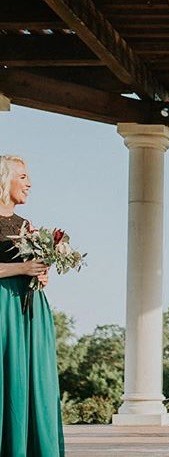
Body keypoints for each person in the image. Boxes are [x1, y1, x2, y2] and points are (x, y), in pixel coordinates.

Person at [0, 155, 65, 456]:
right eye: (23, 176)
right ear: (4, 180)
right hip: (3, 308)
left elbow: (30, 265)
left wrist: (40, 272)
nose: (29, 183)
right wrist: (21, 270)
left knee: (37, 380)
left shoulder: (26, 225)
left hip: (32, 309)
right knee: (7, 377)